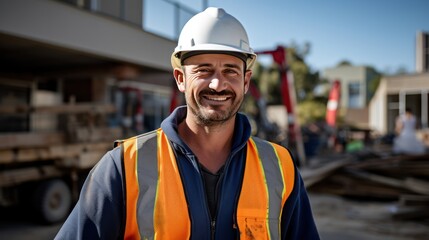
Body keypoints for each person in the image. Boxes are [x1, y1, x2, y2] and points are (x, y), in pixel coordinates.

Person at [55, 7, 319, 239]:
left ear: (246, 81)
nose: (218, 84)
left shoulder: (280, 167)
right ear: (180, 78)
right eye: (203, 69)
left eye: (230, 70)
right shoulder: (124, 166)